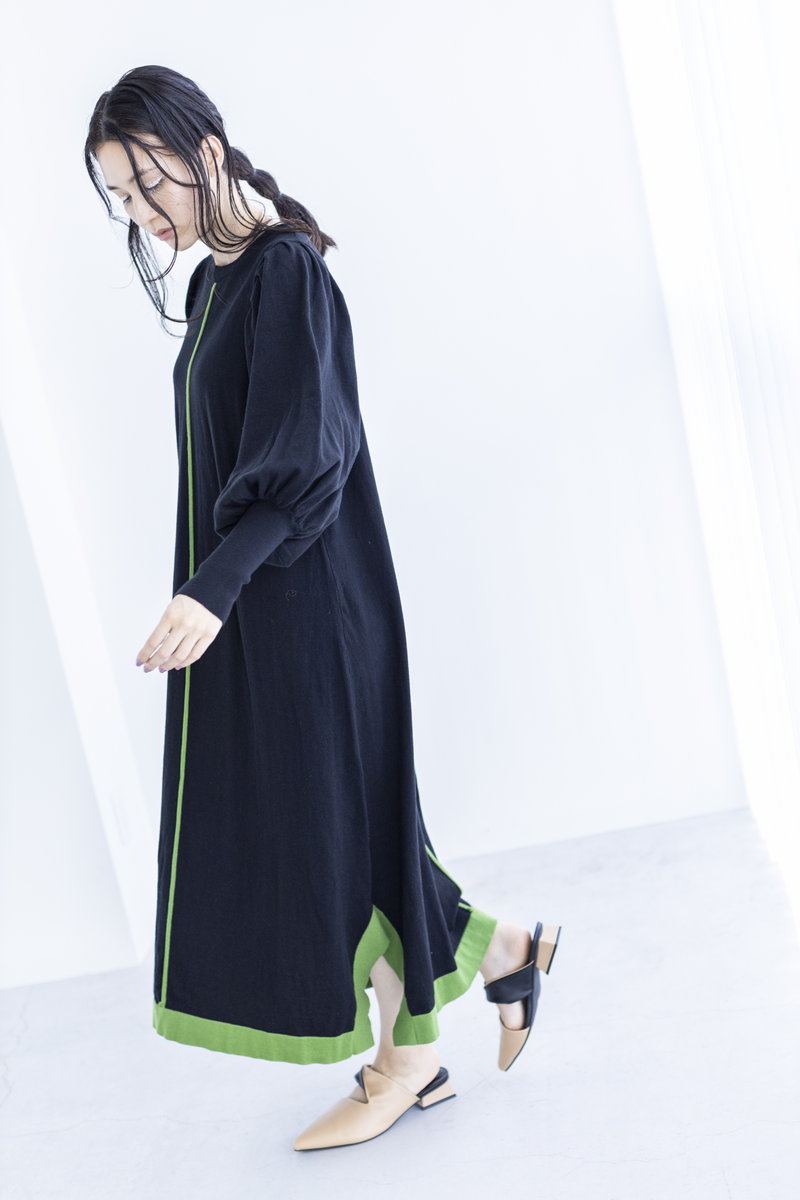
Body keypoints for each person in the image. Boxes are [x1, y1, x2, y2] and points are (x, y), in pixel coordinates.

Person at [85, 64, 561, 1152]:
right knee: (324, 819)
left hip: (314, 605)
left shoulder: (287, 271)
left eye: (150, 182)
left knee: (332, 827)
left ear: (207, 151)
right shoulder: (215, 285)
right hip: (256, 601)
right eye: (120, 197)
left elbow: (307, 457)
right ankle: (507, 953)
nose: (142, 212)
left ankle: (410, 1060)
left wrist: (209, 589)